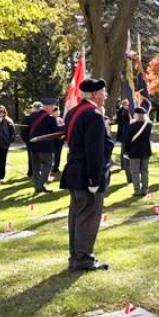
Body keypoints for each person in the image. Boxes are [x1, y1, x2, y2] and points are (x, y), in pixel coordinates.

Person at [60, 78, 113, 271]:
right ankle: (83, 258)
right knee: (88, 217)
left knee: (77, 215)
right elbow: (95, 151)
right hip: (87, 174)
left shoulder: (74, 112)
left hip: (75, 171)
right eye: (103, 92)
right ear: (94, 94)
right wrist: (94, 179)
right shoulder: (93, 115)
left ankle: (76, 256)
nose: (105, 95)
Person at [25, 98, 60, 194]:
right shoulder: (50, 119)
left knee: (36, 168)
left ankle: (38, 187)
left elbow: (25, 130)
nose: (54, 108)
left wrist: (27, 141)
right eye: (52, 106)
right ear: (47, 106)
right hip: (45, 147)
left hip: (33, 145)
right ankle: (40, 185)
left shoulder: (31, 116)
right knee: (47, 165)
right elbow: (56, 131)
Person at [125, 107, 153, 196]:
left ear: (136, 115)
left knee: (135, 172)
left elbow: (128, 140)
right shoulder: (149, 125)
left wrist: (126, 151)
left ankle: (137, 191)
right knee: (144, 171)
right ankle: (144, 190)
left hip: (134, 152)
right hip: (146, 151)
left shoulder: (132, 126)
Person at [22, 101, 43, 178]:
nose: (37, 109)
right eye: (35, 107)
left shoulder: (44, 118)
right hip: (31, 142)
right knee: (31, 158)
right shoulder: (27, 118)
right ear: (33, 108)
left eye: (39, 107)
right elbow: (23, 131)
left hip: (41, 141)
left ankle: (39, 173)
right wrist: (27, 141)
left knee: (41, 158)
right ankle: (31, 173)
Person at [115, 99, 132, 184]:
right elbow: (126, 123)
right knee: (124, 150)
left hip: (122, 132)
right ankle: (124, 166)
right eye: (127, 104)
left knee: (123, 150)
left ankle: (123, 165)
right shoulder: (124, 111)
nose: (128, 105)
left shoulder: (121, 111)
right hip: (124, 133)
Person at [51, 107, 65, 175]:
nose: (58, 112)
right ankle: (52, 167)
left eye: (58, 111)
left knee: (58, 154)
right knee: (53, 155)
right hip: (53, 140)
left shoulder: (60, 119)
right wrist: (64, 127)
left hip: (60, 140)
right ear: (53, 112)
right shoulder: (50, 119)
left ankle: (56, 167)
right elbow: (55, 129)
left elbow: (63, 128)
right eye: (56, 111)